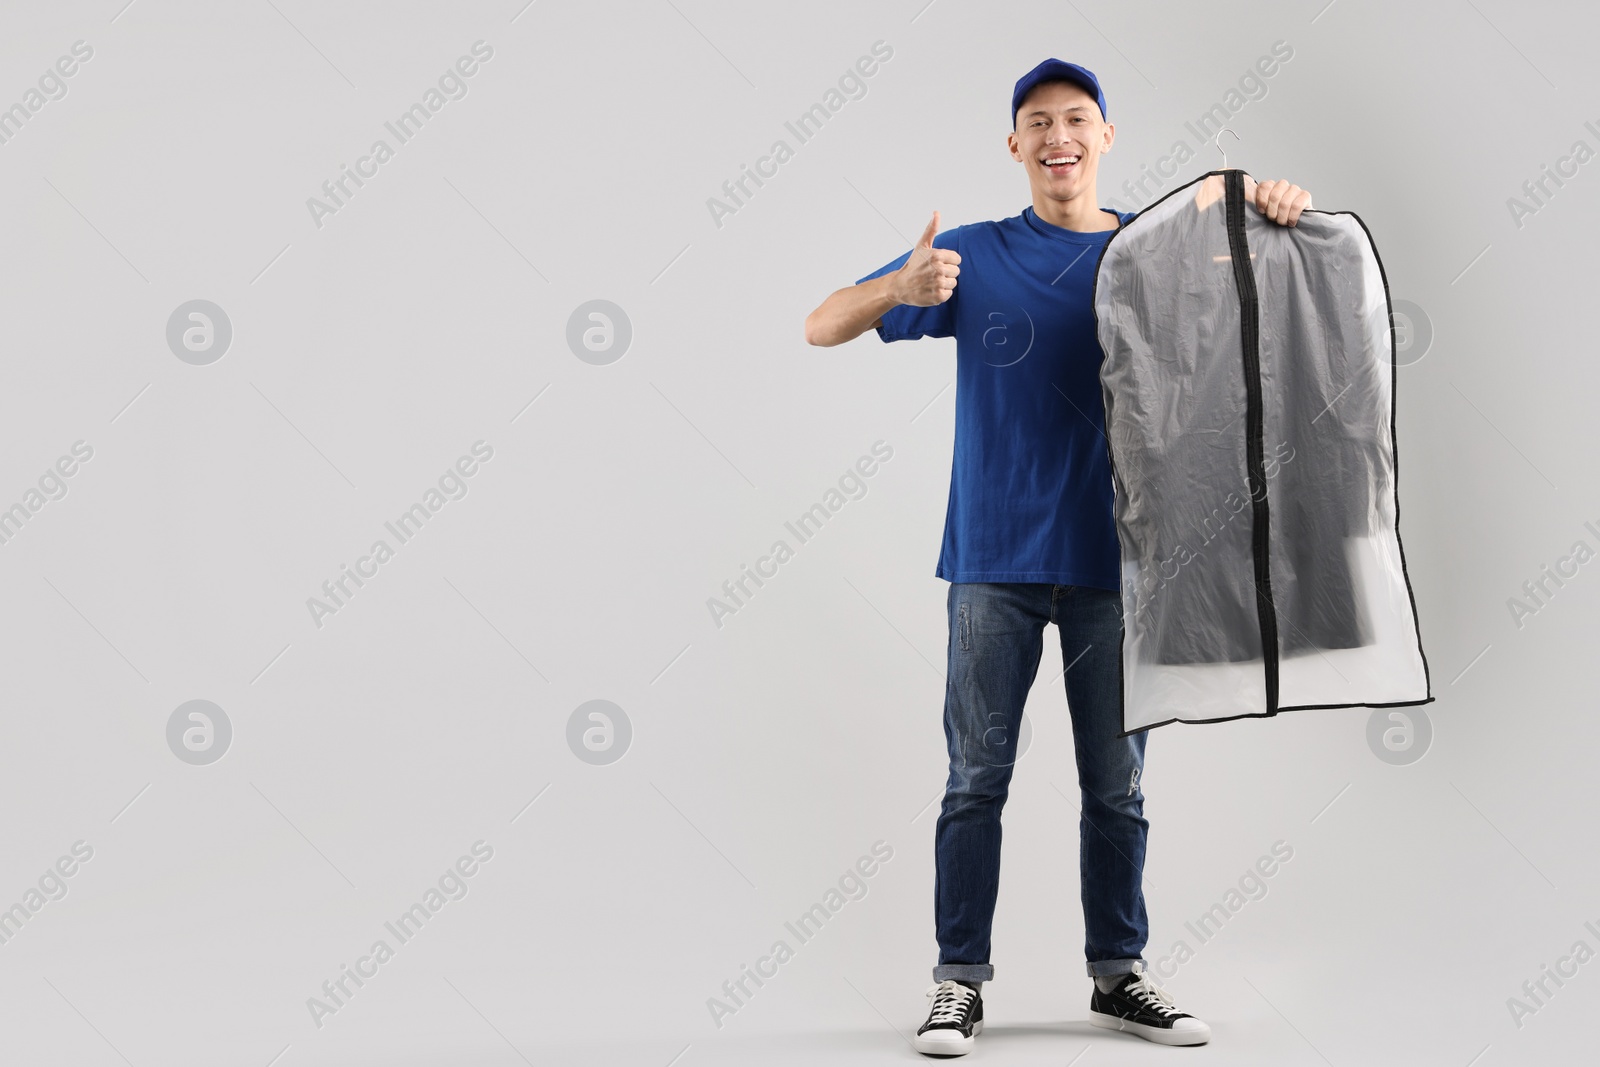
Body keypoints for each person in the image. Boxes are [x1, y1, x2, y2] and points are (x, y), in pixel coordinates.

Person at [803, 59, 1312, 1056]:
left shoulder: (1149, 253)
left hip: (1118, 569)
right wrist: (897, 291)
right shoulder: (971, 254)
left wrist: (1274, 200)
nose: (1055, 134)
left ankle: (1118, 974)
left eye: (1074, 117)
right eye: (1036, 122)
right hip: (990, 562)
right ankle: (957, 983)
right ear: (1015, 146)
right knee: (973, 781)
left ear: (1104, 136)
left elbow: (1248, 243)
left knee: (1115, 788)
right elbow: (820, 322)